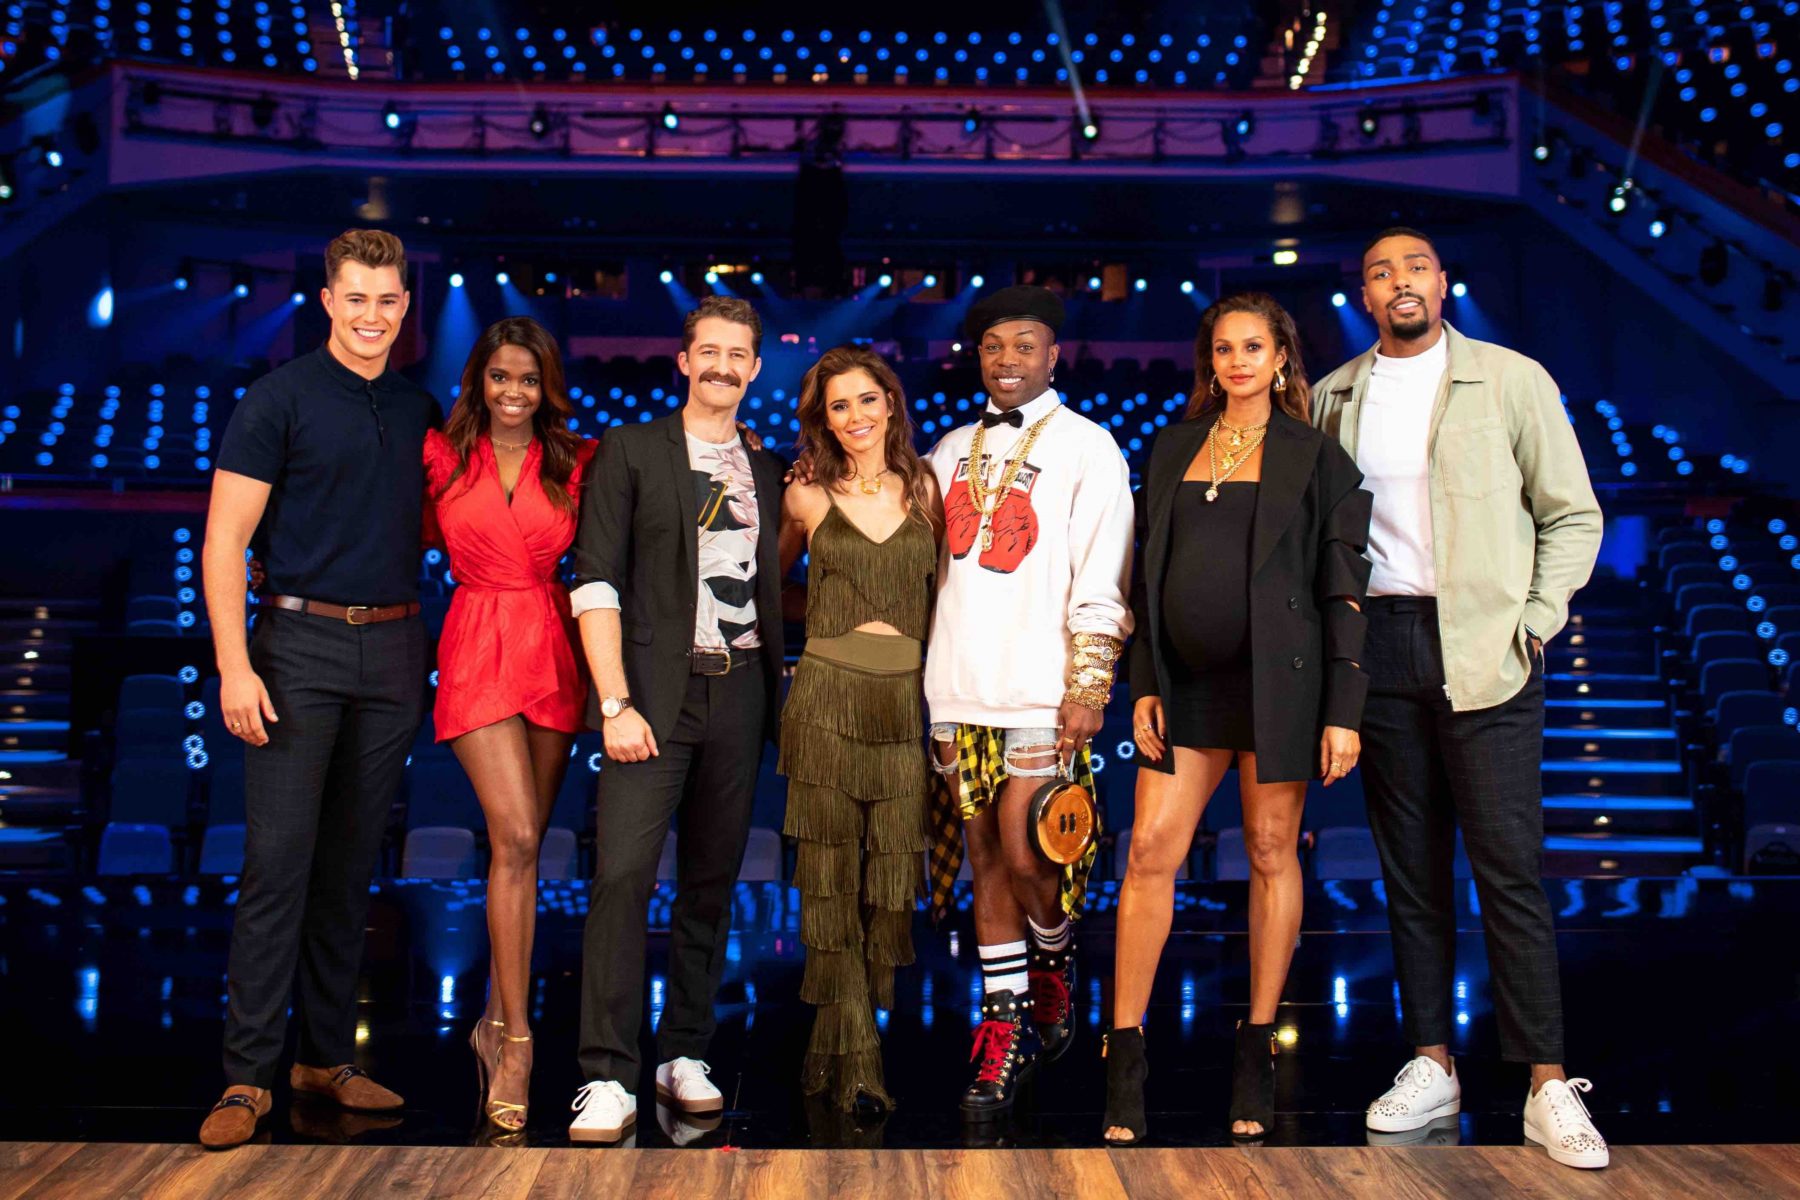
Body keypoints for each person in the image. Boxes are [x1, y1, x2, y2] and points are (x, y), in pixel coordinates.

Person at [1311, 228, 1607, 1170]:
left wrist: (1536, 619)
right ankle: (1432, 1061)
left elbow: (1573, 513)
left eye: (1415, 268)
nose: (1399, 282)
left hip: (1486, 644)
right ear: (1365, 296)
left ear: (1442, 284)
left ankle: (1546, 1083)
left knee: (1508, 869)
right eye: (1380, 272)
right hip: (1381, 644)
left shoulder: (1512, 379)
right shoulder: (1333, 395)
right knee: (1411, 874)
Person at [1102, 294, 1372, 1145]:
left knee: (1267, 850)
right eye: (1224, 349)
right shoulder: (1172, 445)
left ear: (1282, 357)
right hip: (1185, 686)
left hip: (1279, 688)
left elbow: (1343, 590)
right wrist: (1144, 682)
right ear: (1210, 362)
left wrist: (1344, 711)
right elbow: (1145, 576)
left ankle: (1257, 1049)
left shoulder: (1316, 456)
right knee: (1150, 851)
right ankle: (1125, 1055)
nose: (1238, 361)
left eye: (1254, 347)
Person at [198, 230, 438, 1150]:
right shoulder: (277, 399)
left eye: (388, 300)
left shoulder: (418, 407)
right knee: (279, 864)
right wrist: (234, 665)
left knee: (348, 868)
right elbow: (224, 543)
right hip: (296, 646)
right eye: (357, 298)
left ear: (405, 305)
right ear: (329, 301)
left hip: (395, 647)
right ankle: (246, 1077)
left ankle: (326, 1059)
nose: (373, 315)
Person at [565, 296, 787, 1145]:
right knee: (622, 878)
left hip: (742, 693)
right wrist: (614, 701)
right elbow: (595, 579)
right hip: (650, 698)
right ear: (684, 360)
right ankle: (605, 1074)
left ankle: (684, 1052)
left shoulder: (767, 467)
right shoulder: (629, 449)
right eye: (710, 352)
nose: (723, 366)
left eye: (739, 355)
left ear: (755, 368)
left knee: (710, 883)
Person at [922, 284, 1134, 1120]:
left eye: (1024, 345)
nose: (1006, 360)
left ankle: (1053, 952)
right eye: (993, 346)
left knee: (1026, 849)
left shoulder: (1090, 446)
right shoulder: (946, 449)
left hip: (1041, 688)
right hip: (954, 682)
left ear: (1053, 355)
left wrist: (1088, 684)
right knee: (984, 857)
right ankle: (1004, 1023)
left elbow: (1102, 570)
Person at [423, 316, 597, 1133]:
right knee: (518, 835)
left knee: (524, 849)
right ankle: (519, 1044)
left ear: (545, 385)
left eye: (528, 379)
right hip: (474, 643)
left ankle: (493, 1024)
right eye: (501, 377)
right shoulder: (438, 456)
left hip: (550, 646)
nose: (514, 392)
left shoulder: (577, 460)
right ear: (479, 381)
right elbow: (367, 520)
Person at [776, 345, 940, 1113]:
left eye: (866, 400)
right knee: (830, 884)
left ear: (890, 403)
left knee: (892, 890)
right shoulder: (805, 494)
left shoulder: (928, 487)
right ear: (824, 418)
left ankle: (829, 1041)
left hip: (903, 704)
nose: (855, 417)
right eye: (838, 405)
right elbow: (767, 582)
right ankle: (862, 1058)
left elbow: (950, 598)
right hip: (824, 702)